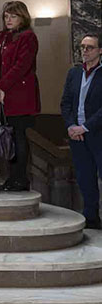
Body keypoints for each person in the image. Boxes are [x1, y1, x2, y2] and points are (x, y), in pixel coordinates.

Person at [0, 1, 40, 191]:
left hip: (20, 95)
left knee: (18, 137)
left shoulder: (28, 37)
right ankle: (12, 177)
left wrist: (2, 86)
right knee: (8, 138)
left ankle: (20, 178)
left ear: (23, 17)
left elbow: (22, 66)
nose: (8, 20)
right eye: (6, 16)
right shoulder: (2, 37)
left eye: (13, 16)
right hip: (4, 95)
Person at [61, 33, 102, 229]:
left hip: (97, 133)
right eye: (82, 47)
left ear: (100, 50)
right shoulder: (74, 73)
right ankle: (91, 217)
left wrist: (85, 127)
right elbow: (66, 103)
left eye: (90, 47)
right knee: (85, 178)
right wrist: (71, 126)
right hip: (76, 136)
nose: (84, 51)